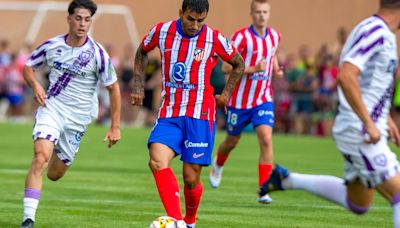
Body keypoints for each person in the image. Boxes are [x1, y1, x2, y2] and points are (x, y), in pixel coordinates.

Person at [260, 1, 400, 227]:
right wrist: (369, 121)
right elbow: (346, 76)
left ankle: (286, 179)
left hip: (365, 128)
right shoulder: (375, 32)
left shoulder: (382, 34)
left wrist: (385, 118)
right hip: (360, 132)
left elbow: (370, 84)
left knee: (359, 202)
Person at [130, 0, 245, 227]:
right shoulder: (162, 31)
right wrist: (137, 84)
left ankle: (190, 222)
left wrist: (225, 95)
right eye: (190, 19)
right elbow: (142, 51)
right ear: (181, 12)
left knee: (191, 179)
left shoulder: (213, 38)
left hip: (200, 116)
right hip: (170, 114)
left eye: (200, 21)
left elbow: (238, 64)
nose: (195, 25)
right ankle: (178, 222)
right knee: (156, 160)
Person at [20, 0, 121, 227]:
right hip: (52, 108)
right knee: (40, 158)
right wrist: (35, 85)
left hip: (78, 119)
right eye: (78, 18)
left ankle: (55, 145)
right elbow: (28, 67)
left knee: (55, 174)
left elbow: (113, 88)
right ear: (69, 19)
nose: (82, 24)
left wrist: (115, 126)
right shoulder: (51, 46)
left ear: (90, 22)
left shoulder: (98, 55)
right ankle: (28, 219)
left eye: (87, 20)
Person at [208, 0, 283, 204]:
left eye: (265, 12)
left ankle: (264, 189)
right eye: (258, 12)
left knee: (266, 139)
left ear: (269, 13)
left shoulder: (275, 35)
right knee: (232, 141)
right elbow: (225, 68)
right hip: (239, 101)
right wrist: (253, 69)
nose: (261, 15)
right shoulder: (241, 37)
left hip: (263, 99)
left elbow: (273, 53)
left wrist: (276, 69)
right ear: (251, 13)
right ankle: (218, 164)